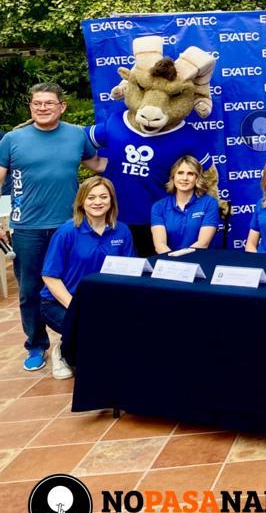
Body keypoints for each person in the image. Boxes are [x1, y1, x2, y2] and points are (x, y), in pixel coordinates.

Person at [0, 83, 102, 372]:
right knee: (30, 290)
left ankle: (67, 341)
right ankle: (35, 345)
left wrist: (151, 161)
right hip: (27, 228)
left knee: (71, 285)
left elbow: (97, 165)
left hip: (69, 226)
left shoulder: (76, 135)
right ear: (30, 107)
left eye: (48, 103)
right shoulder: (12, 139)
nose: (42, 108)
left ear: (62, 106)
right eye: (36, 103)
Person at [40, 177, 134, 379]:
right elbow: (49, 277)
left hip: (102, 300)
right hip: (59, 302)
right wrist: (76, 306)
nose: (97, 202)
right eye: (91, 197)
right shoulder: (66, 232)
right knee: (89, 327)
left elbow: (129, 272)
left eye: (103, 196)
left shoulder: (123, 231)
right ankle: (64, 353)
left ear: (111, 201)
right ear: (82, 201)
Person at [150, 155, 220, 254]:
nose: (184, 178)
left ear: (197, 178)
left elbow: (203, 243)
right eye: (180, 173)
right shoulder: (158, 207)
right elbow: (160, 245)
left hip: (201, 261)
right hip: (170, 261)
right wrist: (173, 263)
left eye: (190, 174)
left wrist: (180, 259)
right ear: (173, 177)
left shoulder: (209, 203)